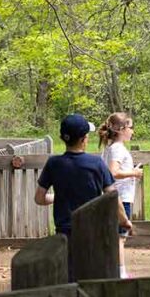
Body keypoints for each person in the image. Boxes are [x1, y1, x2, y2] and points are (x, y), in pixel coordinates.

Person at [35, 114, 132, 280]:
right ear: (84, 139)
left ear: (62, 138)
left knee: (69, 275)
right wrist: (124, 221)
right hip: (92, 231)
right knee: (92, 276)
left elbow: (39, 198)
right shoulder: (96, 164)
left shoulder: (54, 164)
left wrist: (57, 198)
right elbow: (113, 197)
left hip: (64, 232)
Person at [99, 112, 143, 278]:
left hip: (112, 197)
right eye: (131, 127)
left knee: (113, 237)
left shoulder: (110, 148)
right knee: (119, 238)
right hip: (120, 198)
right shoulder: (117, 149)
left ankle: (112, 271)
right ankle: (120, 273)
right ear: (121, 129)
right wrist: (134, 173)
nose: (133, 131)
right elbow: (113, 172)